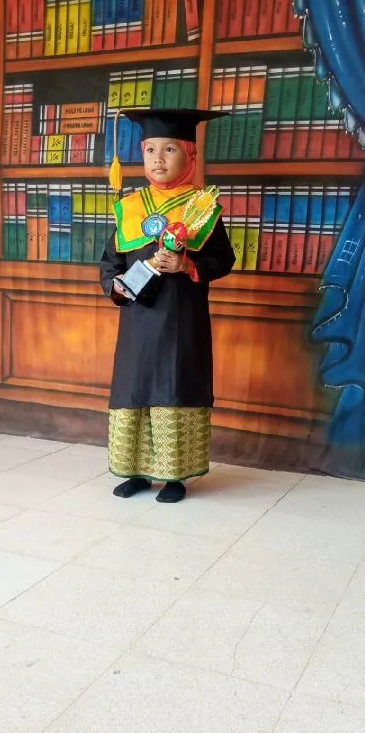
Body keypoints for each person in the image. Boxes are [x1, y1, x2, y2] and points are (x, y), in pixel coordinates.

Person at [100, 108, 235, 503]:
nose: (159, 159)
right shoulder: (130, 207)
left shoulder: (202, 208)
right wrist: (117, 286)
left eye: (170, 149)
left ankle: (175, 478)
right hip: (137, 321)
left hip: (181, 319)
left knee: (175, 388)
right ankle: (136, 472)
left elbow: (224, 260)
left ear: (190, 156)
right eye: (151, 150)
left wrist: (188, 264)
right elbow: (110, 262)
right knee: (134, 387)